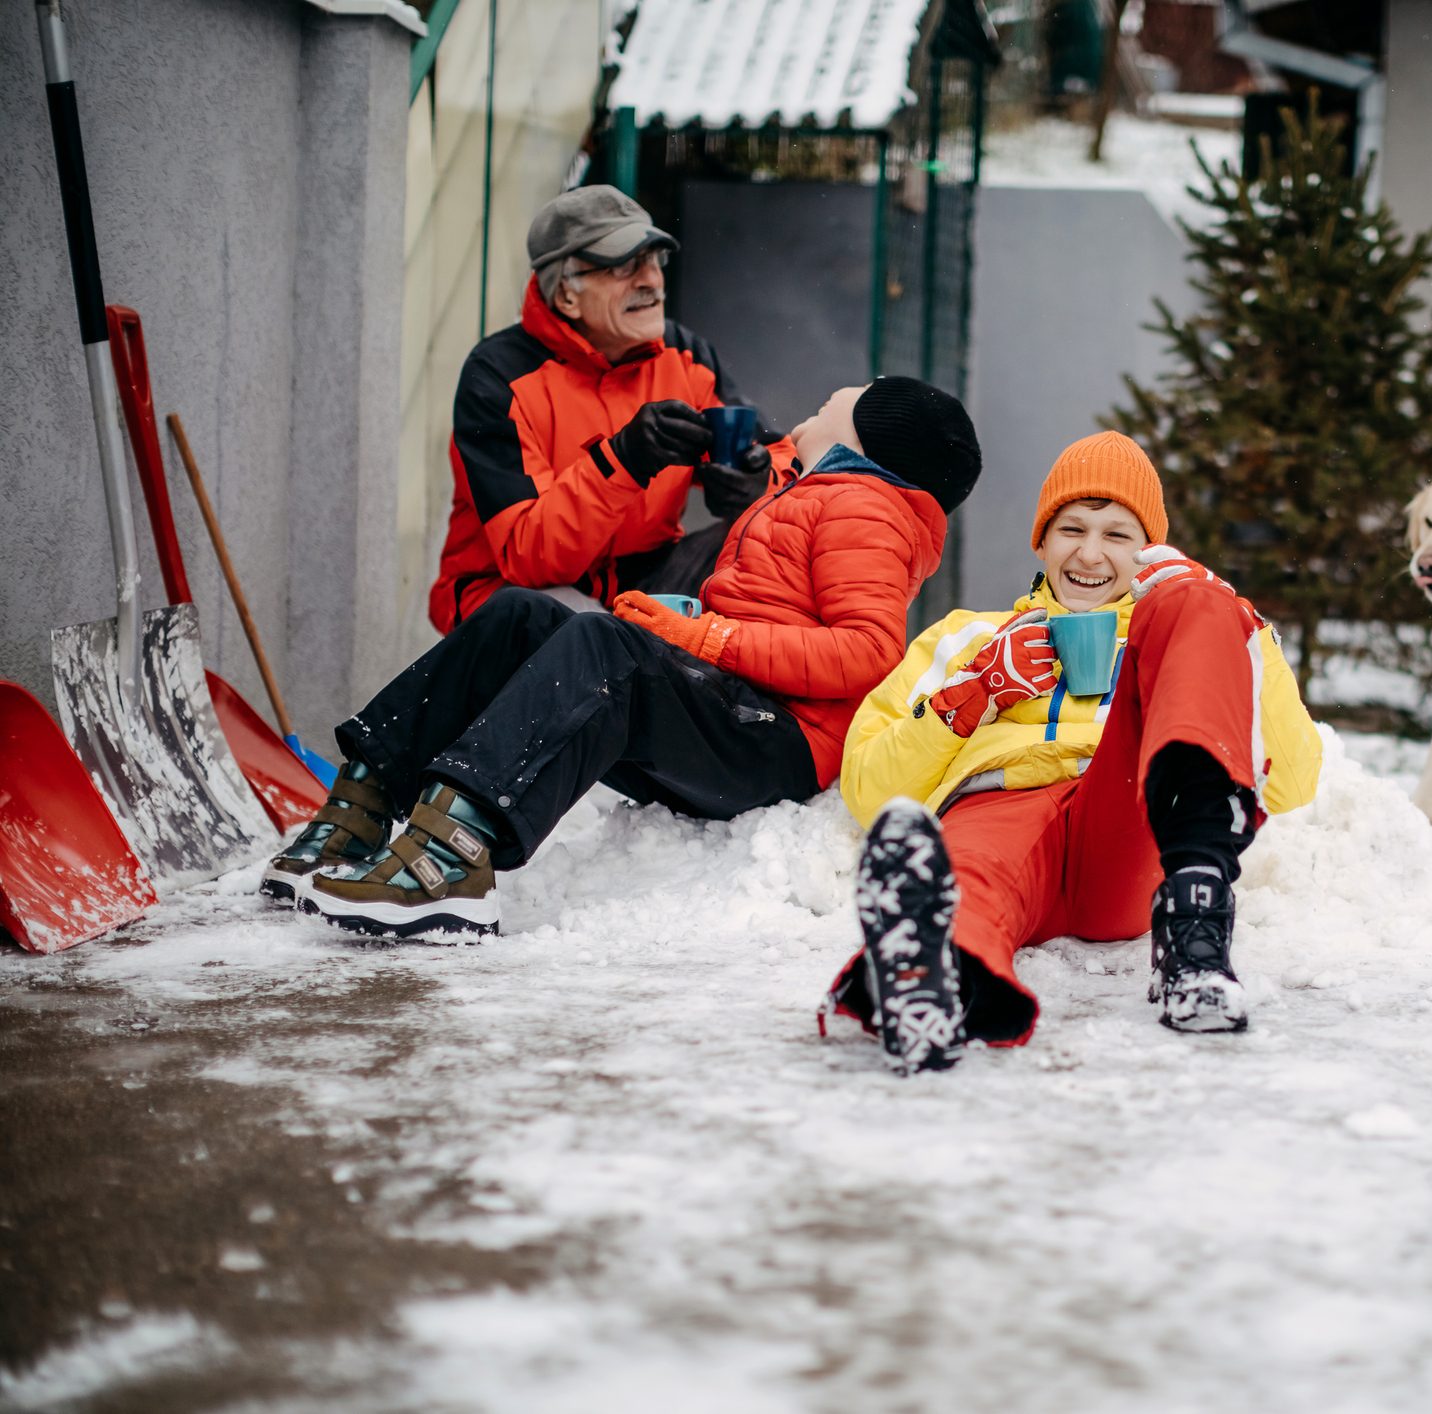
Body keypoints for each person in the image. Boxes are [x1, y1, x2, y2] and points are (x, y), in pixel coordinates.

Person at [263, 378, 982, 939]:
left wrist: (707, 641)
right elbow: (770, 616)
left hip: (777, 746)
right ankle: (363, 802)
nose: (804, 416)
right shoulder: (813, 494)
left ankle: (452, 858)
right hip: (739, 708)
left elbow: (865, 651)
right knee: (521, 614)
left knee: (604, 645)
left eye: (827, 407)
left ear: (865, 445)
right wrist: (691, 620)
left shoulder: (865, 508)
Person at [820, 431, 1323, 1073]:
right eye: (1072, 528)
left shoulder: (1173, 638)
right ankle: (933, 982)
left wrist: (1240, 631)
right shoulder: (965, 636)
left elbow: (1292, 785)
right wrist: (972, 695)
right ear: (1042, 539)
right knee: (966, 879)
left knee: (1203, 600)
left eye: (1118, 534)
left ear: (1150, 550)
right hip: (997, 811)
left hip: (1123, 828)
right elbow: (867, 791)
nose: (1090, 553)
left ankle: (1195, 936)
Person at [428, 184, 791, 633]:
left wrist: (758, 483)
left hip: (641, 586)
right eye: (623, 266)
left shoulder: (683, 353)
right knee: (566, 625)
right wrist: (624, 461)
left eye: (654, 261)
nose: (651, 281)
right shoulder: (496, 376)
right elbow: (531, 561)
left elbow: (780, 455)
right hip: (516, 598)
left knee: (764, 549)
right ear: (566, 296)